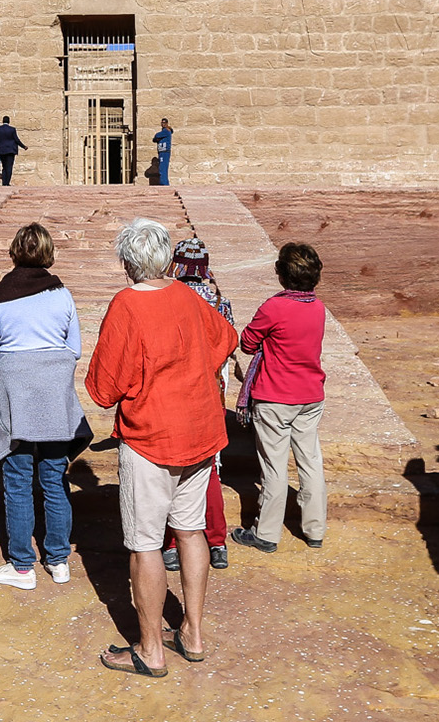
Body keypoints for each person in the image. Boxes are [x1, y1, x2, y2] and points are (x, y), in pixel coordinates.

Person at [86, 218, 238, 677]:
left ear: (126, 263)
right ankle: (192, 632)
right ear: (167, 259)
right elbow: (225, 340)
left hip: (152, 437)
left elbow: (103, 388)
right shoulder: (188, 296)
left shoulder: (127, 306)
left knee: (146, 544)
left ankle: (151, 649)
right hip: (200, 430)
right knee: (191, 530)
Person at [0, 223, 90, 590]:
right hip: (54, 402)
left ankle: (22, 567)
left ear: (14, 252)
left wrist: (18, 354)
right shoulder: (62, 295)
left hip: (15, 403)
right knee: (54, 480)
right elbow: (76, 350)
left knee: (18, 483)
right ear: (49, 253)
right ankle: (59, 561)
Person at [230, 243, 329, 554]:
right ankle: (314, 529)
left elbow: (247, 344)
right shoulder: (317, 307)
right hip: (310, 395)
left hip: (275, 398)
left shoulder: (274, 308)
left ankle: (267, 533)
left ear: (282, 275)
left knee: (273, 468)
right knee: (310, 462)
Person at [159, 237, 231, 573]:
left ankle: (172, 545)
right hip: (211, 390)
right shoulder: (218, 299)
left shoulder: (170, 297)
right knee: (208, 470)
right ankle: (217, 542)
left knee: (174, 469)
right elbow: (228, 341)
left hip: (176, 389)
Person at [0, 116, 28, 186]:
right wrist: (24, 146)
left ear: (3, 121)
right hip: (11, 151)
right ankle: (6, 182)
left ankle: (4, 182)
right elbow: (17, 140)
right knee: (9, 167)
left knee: (4, 167)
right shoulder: (12, 129)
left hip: (2, 151)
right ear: (9, 121)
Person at [152, 119, 174, 186]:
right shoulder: (164, 132)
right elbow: (154, 140)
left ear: (167, 123)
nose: (163, 124)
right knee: (162, 168)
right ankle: (164, 183)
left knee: (163, 168)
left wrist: (157, 138)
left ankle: (164, 184)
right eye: (162, 122)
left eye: (164, 122)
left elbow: (157, 136)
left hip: (164, 151)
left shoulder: (166, 131)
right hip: (161, 151)